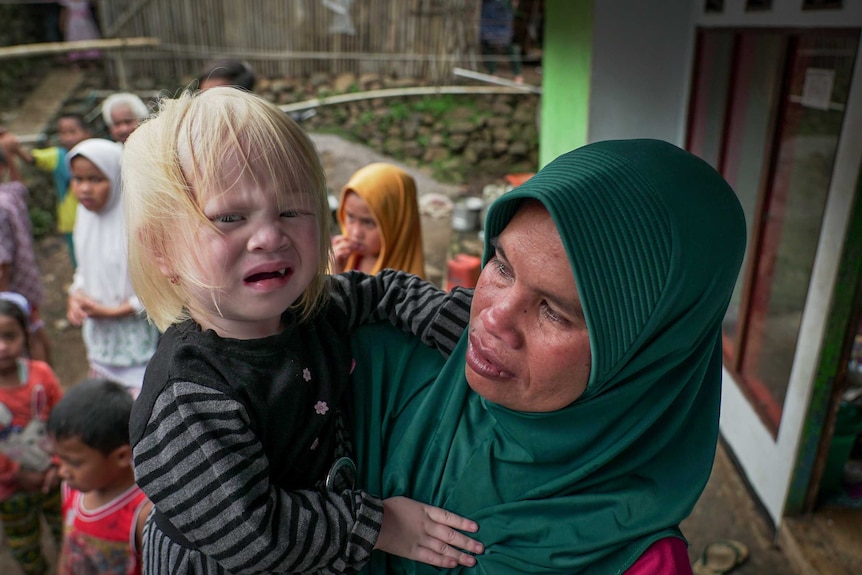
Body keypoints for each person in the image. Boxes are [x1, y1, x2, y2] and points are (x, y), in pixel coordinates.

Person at [122, 87, 481, 575]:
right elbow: (256, 534)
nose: (270, 237)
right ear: (162, 249)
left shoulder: (311, 309)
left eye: (291, 211)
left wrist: (471, 327)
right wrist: (381, 525)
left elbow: (382, 292)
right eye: (230, 218)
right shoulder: (187, 397)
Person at [350, 139, 748, 573]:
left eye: (554, 312)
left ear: (643, 358)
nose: (493, 318)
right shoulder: (385, 366)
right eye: (502, 266)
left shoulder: (637, 563)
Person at [67, 139, 159, 396]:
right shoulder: (85, 217)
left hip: (140, 342)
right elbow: (84, 269)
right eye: (77, 179)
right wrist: (76, 295)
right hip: (101, 341)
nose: (84, 189)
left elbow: (159, 283)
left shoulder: (138, 223)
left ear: (117, 176)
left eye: (96, 179)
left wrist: (117, 310)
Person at [47, 378, 152, 575]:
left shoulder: (142, 515)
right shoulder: (71, 489)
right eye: (60, 459)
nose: (63, 471)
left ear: (121, 456)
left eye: (74, 462)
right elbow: (68, 546)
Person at [0, 299, 63, 575]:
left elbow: (63, 423)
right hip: (11, 492)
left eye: (9, 336)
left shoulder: (42, 375)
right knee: (24, 543)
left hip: (55, 478)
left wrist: (59, 463)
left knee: (68, 533)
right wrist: (16, 473)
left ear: (25, 335)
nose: (2, 346)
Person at [1, 114, 93, 267]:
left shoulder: (101, 156)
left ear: (87, 133)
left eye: (72, 132)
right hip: (71, 223)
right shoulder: (58, 156)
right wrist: (13, 147)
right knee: (79, 262)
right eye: (63, 133)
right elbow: (31, 158)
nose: (67, 137)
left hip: (94, 217)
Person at [0, 146, 51, 363]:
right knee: (34, 327)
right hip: (28, 279)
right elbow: (20, 184)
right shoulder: (10, 193)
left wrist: (4, 299)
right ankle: (46, 374)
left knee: (26, 336)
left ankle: (39, 379)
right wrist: (9, 156)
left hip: (11, 287)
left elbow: (2, 262)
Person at [331, 162, 425, 278]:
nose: (355, 233)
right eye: (350, 217)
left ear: (398, 223)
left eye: (368, 222)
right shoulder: (343, 260)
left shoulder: (409, 291)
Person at [480, 0, 523, 84]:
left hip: (503, 31)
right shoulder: (488, 4)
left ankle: (517, 76)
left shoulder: (507, 5)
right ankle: (493, 74)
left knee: (513, 50)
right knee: (488, 48)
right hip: (489, 30)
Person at [59, 0, 101, 65]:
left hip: (85, 23)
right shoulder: (67, 2)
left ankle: (92, 61)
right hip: (73, 24)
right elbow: (64, 12)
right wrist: (62, 23)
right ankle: (77, 61)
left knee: (88, 39)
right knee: (74, 40)